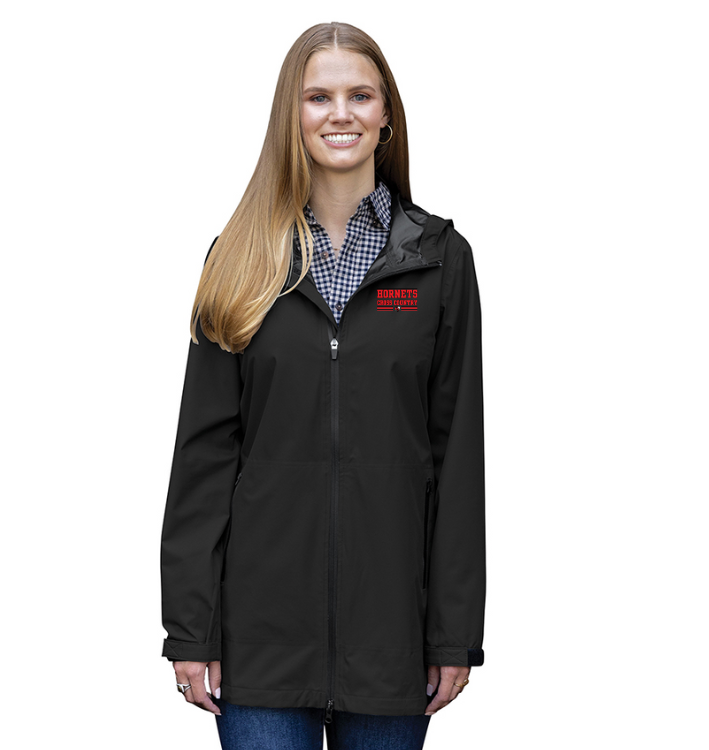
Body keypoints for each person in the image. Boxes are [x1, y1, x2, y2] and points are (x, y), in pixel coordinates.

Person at [160, 21, 486, 750]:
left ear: (386, 114)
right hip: (259, 646)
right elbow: (204, 457)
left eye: (360, 95)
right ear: (293, 113)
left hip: (392, 643)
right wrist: (190, 628)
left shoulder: (440, 261)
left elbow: (458, 457)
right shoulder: (238, 258)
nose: (341, 113)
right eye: (319, 97)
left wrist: (455, 634)